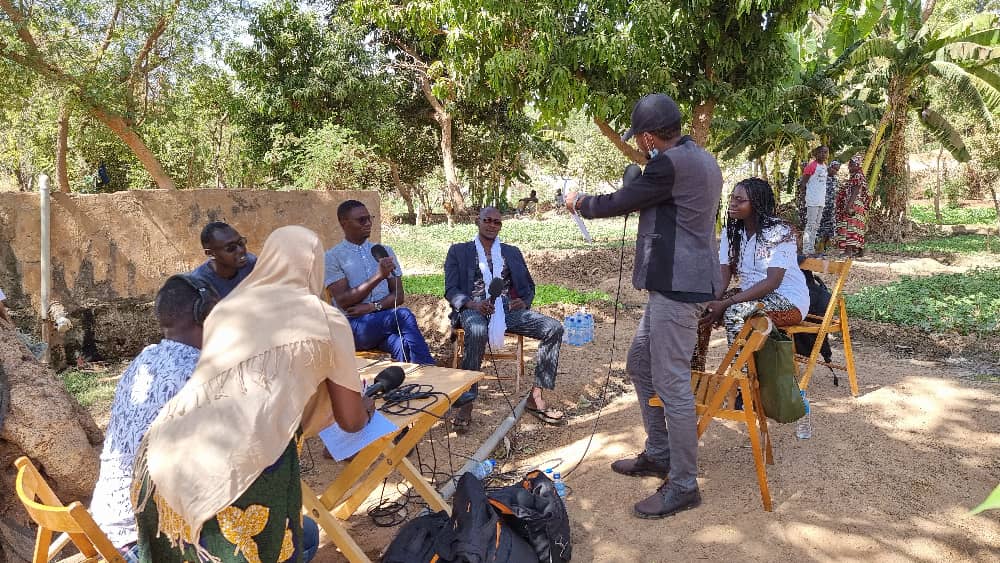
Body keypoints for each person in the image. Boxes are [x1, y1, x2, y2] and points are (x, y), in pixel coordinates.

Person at [133, 226, 373, 562]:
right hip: (239, 472)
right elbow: (350, 421)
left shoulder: (225, 310)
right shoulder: (325, 319)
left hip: (160, 459)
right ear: (315, 267)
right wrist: (367, 405)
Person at [565, 93, 723, 519]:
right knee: (639, 362)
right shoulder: (703, 159)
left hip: (678, 286)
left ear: (650, 136)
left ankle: (685, 484)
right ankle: (658, 453)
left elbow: (621, 201)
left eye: (643, 138)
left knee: (671, 383)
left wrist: (579, 203)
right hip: (677, 283)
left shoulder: (669, 164)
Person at [90, 275, 221, 562]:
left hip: (106, 528)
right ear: (206, 314)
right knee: (297, 536)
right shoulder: (197, 375)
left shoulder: (144, 360)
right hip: (146, 542)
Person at [444, 207, 564, 430]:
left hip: (507, 309)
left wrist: (524, 302)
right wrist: (473, 304)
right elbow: (451, 289)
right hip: (473, 308)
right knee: (478, 330)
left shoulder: (511, 252)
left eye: (497, 222)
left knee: (553, 328)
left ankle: (536, 396)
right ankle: (467, 402)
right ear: (477, 221)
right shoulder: (459, 251)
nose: (491, 225)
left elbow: (528, 285)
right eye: (487, 220)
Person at [695, 178, 810, 366]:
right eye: (732, 198)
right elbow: (723, 274)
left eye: (740, 200)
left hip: (788, 301)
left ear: (757, 203)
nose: (732, 203)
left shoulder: (779, 232)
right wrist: (712, 300)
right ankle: (694, 377)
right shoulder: (731, 232)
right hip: (751, 297)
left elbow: (772, 282)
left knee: (734, 312)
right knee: (700, 307)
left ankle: (742, 383)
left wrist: (726, 303)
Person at [325, 200, 435, 365]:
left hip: (383, 323)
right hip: (353, 328)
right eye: (361, 220)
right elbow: (343, 301)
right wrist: (379, 276)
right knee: (403, 315)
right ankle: (431, 372)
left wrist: (372, 306)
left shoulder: (384, 251)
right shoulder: (332, 257)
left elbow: (399, 295)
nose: (368, 223)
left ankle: (408, 388)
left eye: (370, 218)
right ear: (344, 223)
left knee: (402, 345)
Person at [190, 222, 257, 298]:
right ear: (210, 254)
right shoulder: (200, 285)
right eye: (231, 248)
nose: (241, 250)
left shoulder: (251, 264)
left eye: (241, 242)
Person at [836, 154, 871, 258]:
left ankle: (848, 252)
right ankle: (858, 251)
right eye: (849, 165)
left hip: (853, 204)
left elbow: (855, 192)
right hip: (856, 205)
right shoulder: (857, 175)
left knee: (850, 227)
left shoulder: (857, 176)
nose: (849, 167)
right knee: (855, 227)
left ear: (857, 165)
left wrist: (848, 207)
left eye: (851, 165)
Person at [800, 146, 829, 255]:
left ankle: (811, 248)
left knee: (816, 225)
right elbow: (803, 183)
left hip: (821, 200)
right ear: (816, 154)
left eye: (826, 153)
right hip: (812, 200)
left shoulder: (825, 166)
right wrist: (803, 198)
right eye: (821, 152)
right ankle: (806, 250)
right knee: (811, 225)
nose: (823, 155)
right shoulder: (811, 166)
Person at [818, 160, 841, 253]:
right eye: (834, 169)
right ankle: (818, 247)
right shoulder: (821, 177)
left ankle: (825, 248)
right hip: (821, 208)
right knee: (819, 228)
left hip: (831, 209)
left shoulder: (835, 180)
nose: (836, 171)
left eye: (837, 170)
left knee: (829, 229)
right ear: (829, 167)